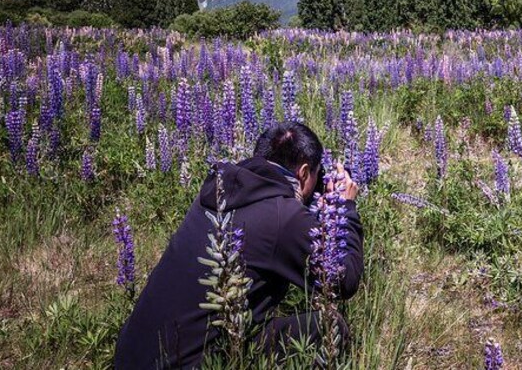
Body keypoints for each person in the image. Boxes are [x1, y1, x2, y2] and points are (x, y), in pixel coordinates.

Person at [114, 121, 363, 369]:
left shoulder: (218, 191)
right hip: (194, 364)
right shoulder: (283, 216)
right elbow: (343, 281)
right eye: (318, 175)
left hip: (130, 357)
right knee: (331, 327)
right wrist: (346, 209)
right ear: (304, 173)